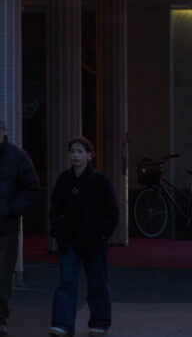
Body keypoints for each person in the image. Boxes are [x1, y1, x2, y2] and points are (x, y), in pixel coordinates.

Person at [48, 137, 119, 337]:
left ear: (89, 155)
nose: (76, 155)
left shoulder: (99, 181)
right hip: (69, 240)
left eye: (80, 151)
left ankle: (100, 322)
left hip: (93, 242)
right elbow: (55, 208)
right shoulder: (64, 180)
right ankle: (62, 324)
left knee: (97, 282)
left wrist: (101, 235)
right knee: (66, 282)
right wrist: (58, 231)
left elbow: (111, 212)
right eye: (72, 151)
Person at [0, 119, 39, 337]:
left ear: (4, 131)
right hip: (6, 222)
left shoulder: (17, 157)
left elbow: (31, 190)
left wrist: (10, 208)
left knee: (2, 277)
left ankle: (0, 320)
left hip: (5, 227)